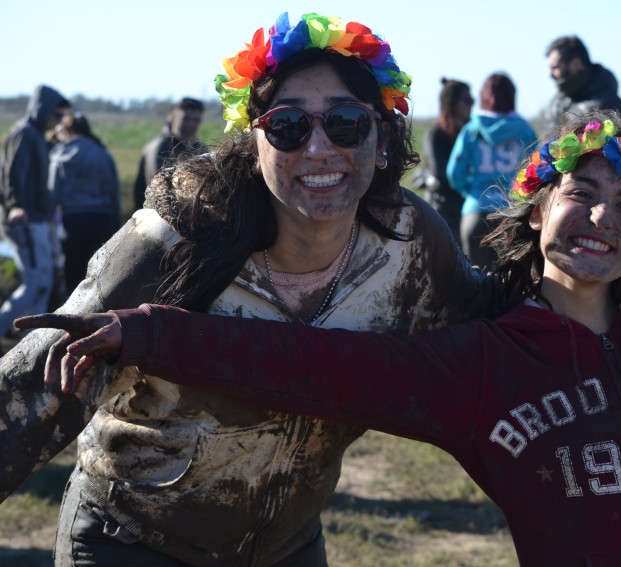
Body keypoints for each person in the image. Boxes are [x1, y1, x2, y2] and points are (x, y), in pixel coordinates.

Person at [21, 110, 621, 566]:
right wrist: (146, 332)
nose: (601, 216)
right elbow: (313, 366)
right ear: (536, 210)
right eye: (580, 193)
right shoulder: (481, 363)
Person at [0, 11, 495, 566]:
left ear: (382, 136)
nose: (319, 149)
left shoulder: (411, 240)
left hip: (289, 546)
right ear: (254, 143)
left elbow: (494, 330)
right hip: (133, 540)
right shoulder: (179, 237)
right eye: (288, 127)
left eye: (347, 123)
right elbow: (29, 391)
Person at [447, 72, 536, 271]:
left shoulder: (471, 130)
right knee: (511, 284)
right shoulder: (525, 130)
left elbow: (455, 172)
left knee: (475, 283)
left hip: (475, 213)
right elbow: (535, 171)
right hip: (512, 212)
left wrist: (471, 191)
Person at [0, 84, 69, 337]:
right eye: (56, 114)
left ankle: (31, 339)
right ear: (44, 110)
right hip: (25, 218)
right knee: (36, 285)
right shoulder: (25, 133)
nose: (59, 121)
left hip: (37, 218)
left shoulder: (37, 135)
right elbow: (13, 174)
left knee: (43, 284)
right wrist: (15, 205)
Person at [49, 112, 121, 297]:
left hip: (72, 220)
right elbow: (113, 189)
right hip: (101, 219)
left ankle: (70, 318)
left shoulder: (59, 154)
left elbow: (52, 192)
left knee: (72, 273)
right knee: (97, 273)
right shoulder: (102, 153)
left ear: (66, 131)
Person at [421, 78, 474, 243]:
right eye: (467, 100)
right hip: (443, 209)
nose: (471, 104)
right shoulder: (435, 134)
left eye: (472, 100)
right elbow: (440, 170)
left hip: (465, 207)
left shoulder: (472, 131)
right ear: (452, 103)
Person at [541, 36, 621, 134]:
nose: (550, 75)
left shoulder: (610, 106)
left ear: (576, 64)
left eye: (555, 67)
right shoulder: (556, 103)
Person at [132, 96, 206, 210]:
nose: (191, 124)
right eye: (185, 118)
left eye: (195, 120)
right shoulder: (159, 147)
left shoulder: (200, 148)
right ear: (172, 116)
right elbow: (159, 187)